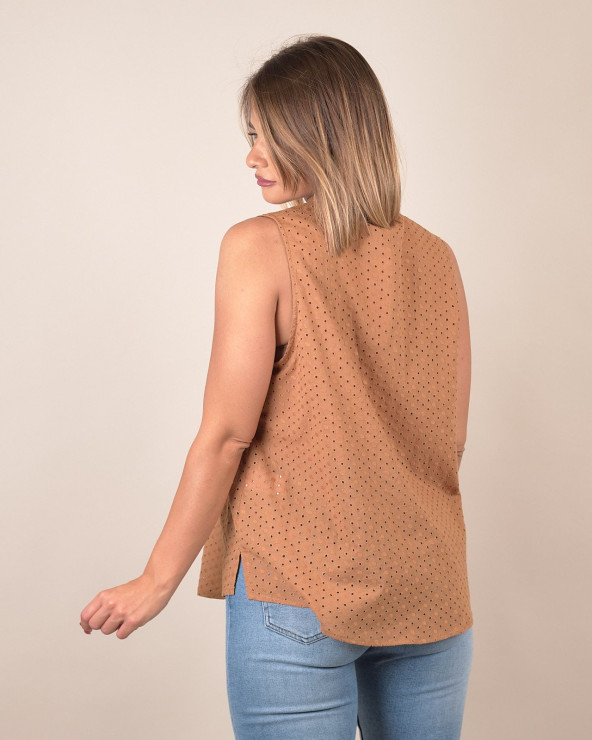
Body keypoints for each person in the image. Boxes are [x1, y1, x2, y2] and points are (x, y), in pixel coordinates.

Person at [80, 34, 474, 740]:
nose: (252, 156)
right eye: (251, 136)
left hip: (297, 592)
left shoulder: (259, 246)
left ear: (319, 133)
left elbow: (227, 436)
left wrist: (156, 580)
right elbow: (448, 442)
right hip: (430, 591)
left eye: (266, 135)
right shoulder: (437, 258)